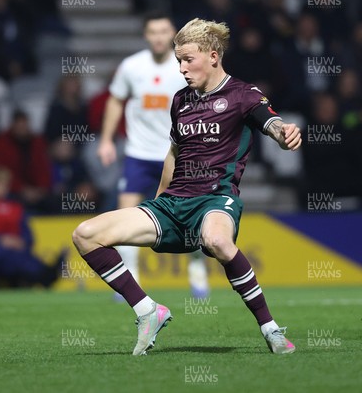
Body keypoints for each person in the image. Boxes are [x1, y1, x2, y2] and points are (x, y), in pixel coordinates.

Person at [72, 18, 302, 356]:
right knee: (85, 234)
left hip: (215, 199)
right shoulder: (180, 100)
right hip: (173, 202)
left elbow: (271, 123)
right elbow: (174, 154)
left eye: (187, 59)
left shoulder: (243, 94)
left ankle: (271, 330)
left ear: (212, 56)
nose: (180, 67)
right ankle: (147, 310)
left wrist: (285, 133)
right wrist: (158, 202)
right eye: (178, 60)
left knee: (217, 241)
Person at [97, 11, 209, 298]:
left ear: (173, 34)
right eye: (153, 32)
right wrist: (107, 140)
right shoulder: (131, 66)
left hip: (175, 153)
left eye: (163, 31)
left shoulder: (185, 68)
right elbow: (115, 101)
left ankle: (197, 270)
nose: (158, 37)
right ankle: (129, 280)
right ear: (146, 35)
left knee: (187, 214)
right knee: (125, 214)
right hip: (138, 154)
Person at [0, 166, 65, 288]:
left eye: (2, 184)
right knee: (12, 258)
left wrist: (20, 242)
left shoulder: (16, 207)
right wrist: (0, 240)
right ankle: (47, 274)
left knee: (20, 257)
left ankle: (45, 273)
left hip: (17, 252)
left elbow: (28, 237)